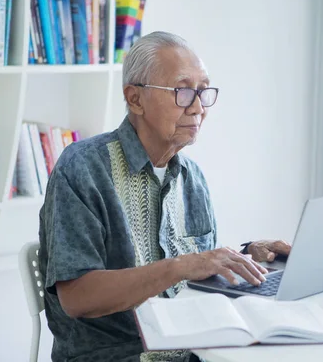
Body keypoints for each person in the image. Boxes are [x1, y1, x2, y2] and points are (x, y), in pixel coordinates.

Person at [38, 31, 292, 362]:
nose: (199, 107)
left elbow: (195, 267)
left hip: (194, 348)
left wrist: (246, 256)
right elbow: (77, 297)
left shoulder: (192, 177)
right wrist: (180, 267)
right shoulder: (83, 168)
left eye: (203, 91)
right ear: (135, 99)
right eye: (183, 92)